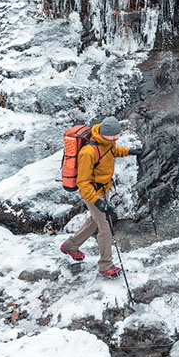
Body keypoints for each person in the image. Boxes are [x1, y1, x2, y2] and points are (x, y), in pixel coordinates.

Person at [59, 115, 141, 277]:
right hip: (93, 192)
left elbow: (112, 151)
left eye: (117, 135)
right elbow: (83, 183)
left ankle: (70, 246)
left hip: (104, 189)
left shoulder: (107, 142)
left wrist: (129, 152)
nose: (116, 138)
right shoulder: (88, 153)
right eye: (114, 136)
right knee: (105, 227)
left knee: (94, 220)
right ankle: (106, 265)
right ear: (104, 133)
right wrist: (97, 201)